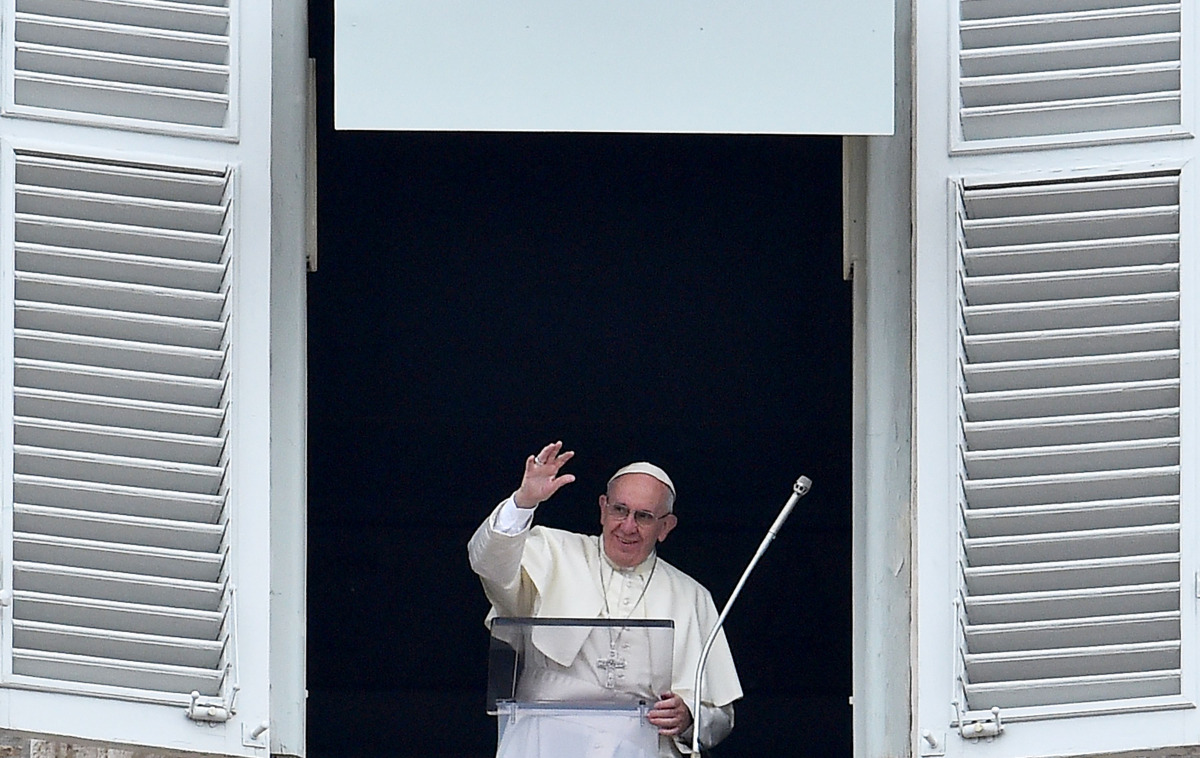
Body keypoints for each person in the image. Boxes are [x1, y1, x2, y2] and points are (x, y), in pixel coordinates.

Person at [469, 441, 742, 757]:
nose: (628, 526)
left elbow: (720, 715)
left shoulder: (691, 596)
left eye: (644, 516)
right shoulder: (553, 551)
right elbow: (487, 563)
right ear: (603, 508)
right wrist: (524, 502)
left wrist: (689, 716)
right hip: (545, 741)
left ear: (665, 527)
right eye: (620, 510)